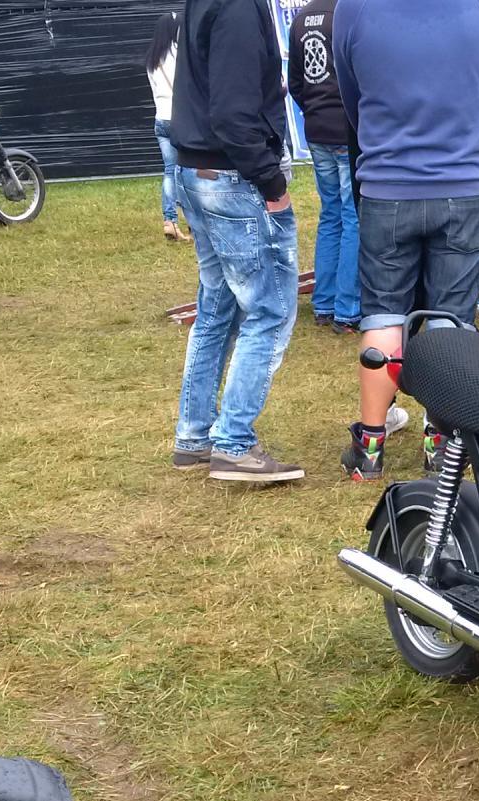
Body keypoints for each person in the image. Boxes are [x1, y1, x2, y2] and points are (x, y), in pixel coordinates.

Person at [333, 0, 479, 482]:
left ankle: (370, 448)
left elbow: (352, 96)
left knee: (383, 313)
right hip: (465, 183)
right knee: (452, 318)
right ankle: (442, 443)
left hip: (388, 183)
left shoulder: (354, 8)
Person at [167, 0, 306, 483]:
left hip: (201, 170)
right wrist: (271, 182)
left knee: (217, 310)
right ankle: (232, 443)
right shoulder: (239, 8)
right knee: (270, 311)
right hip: (232, 177)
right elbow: (232, 112)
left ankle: (195, 435)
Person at [291, 0, 360, 333]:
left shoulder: (301, 18)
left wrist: (315, 111)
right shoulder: (348, 13)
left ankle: (325, 303)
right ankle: (348, 308)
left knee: (331, 215)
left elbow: (295, 83)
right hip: (346, 128)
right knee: (352, 216)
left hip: (317, 128)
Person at [148, 11, 186, 243]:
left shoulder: (152, 59)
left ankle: (169, 220)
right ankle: (193, 219)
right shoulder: (179, 55)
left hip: (160, 119)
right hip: (180, 118)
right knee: (189, 170)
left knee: (170, 170)